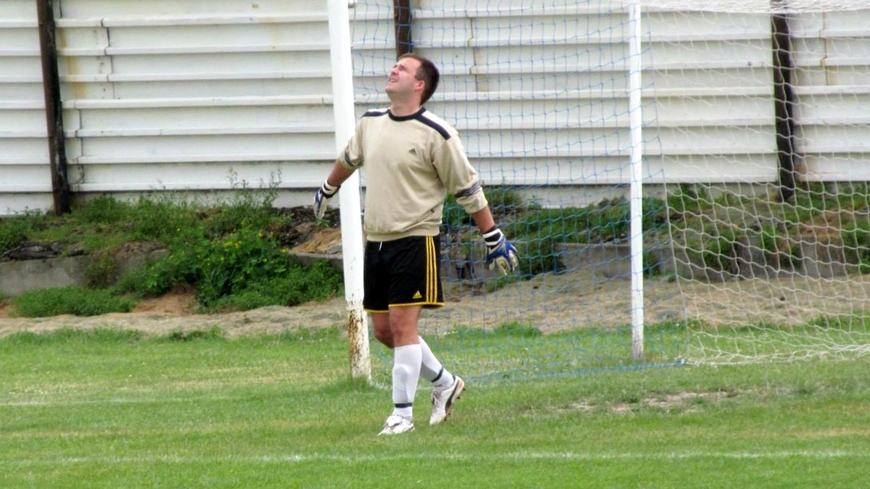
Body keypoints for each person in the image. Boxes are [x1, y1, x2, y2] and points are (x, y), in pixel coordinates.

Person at [312, 53, 519, 436]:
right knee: (383, 332)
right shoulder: (370, 123)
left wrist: (493, 236)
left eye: (403, 69)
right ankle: (444, 383)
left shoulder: (438, 134)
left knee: (403, 326)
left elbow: (468, 189)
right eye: (395, 66)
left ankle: (401, 416)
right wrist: (329, 186)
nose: (393, 70)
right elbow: (348, 158)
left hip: (416, 238)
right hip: (376, 240)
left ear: (419, 84)